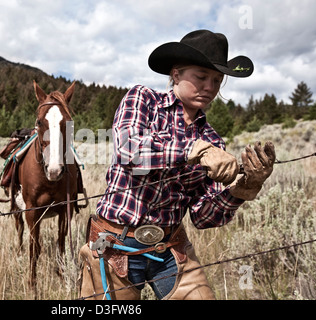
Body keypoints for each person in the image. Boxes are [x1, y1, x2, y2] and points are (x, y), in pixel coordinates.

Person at [79, 29, 276, 300]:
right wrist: (193, 150)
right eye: (201, 76)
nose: (210, 87)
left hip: (171, 248)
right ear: (176, 74)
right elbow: (129, 150)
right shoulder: (143, 99)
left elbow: (202, 215)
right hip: (115, 245)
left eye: (218, 80)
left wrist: (240, 191)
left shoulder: (212, 139)